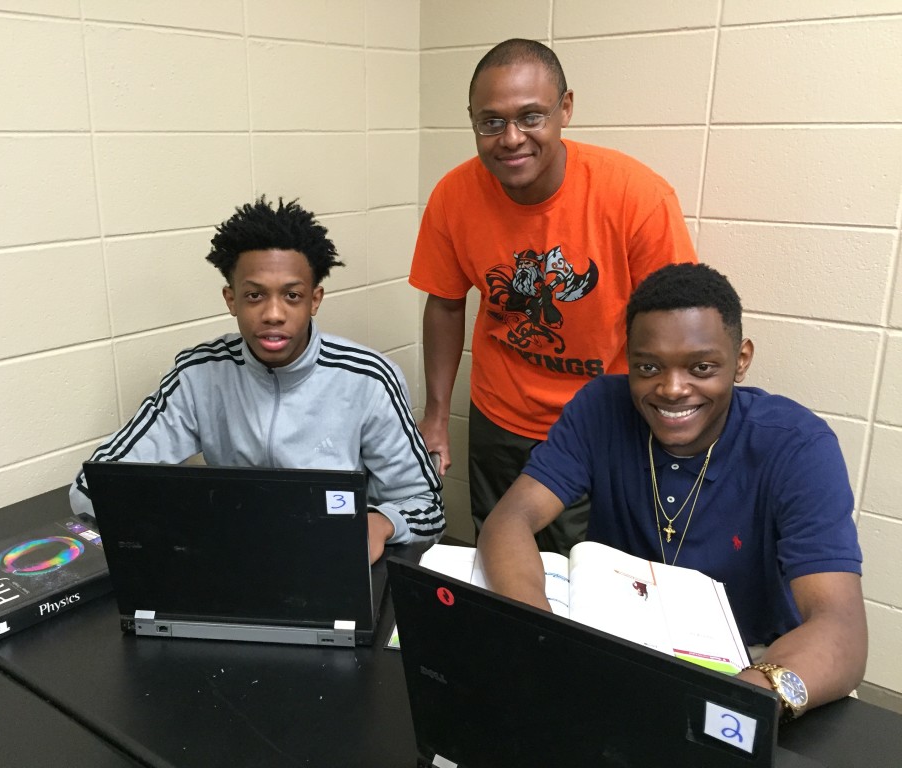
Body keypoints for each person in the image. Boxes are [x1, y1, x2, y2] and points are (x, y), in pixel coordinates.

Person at [478, 263, 866, 716]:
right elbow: (510, 518)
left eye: (701, 367)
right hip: (623, 643)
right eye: (648, 367)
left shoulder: (797, 445)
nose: (672, 389)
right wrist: (542, 635)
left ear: (741, 360)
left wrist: (727, 706)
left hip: (755, 661)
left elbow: (842, 630)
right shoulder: (600, 408)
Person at [409, 38, 697, 555]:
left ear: (565, 109)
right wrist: (435, 412)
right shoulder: (454, 195)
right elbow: (446, 302)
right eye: (491, 122)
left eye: (531, 117)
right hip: (499, 416)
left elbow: (678, 325)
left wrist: (664, 426)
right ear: (472, 120)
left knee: (587, 572)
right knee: (499, 559)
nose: (511, 138)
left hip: (600, 419)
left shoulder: (636, 198)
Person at [70, 197, 445, 562]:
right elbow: (93, 487)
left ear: (315, 300)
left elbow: (427, 507)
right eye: (254, 296)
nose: (273, 314)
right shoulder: (200, 374)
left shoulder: (368, 379)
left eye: (292, 296)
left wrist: (380, 524)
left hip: (330, 560)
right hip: (231, 559)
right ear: (231, 300)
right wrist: (181, 525)